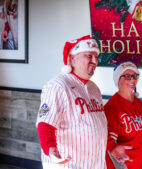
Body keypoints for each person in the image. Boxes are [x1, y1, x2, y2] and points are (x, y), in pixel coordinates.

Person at [36, 35, 107, 169]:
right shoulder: (58, 85)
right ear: (72, 59)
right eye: (89, 56)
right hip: (68, 164)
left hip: (94, 164)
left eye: (96, 57)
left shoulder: (94, 88)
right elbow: (45, 123)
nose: (94, 61)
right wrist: (51, 151)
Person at [104, 61, 142, 169]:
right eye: (127, 76)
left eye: (134, 76)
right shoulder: (112, 108)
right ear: (118, 79)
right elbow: (110, 146)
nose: (132, 80)